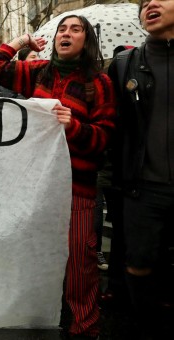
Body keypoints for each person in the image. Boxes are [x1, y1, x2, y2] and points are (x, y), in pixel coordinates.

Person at [0, 15, 116, 340]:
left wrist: (75, 127)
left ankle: (85, 327)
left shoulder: (98, 84)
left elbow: (104, 138)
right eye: (62, 29)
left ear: (87, 41)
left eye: (76, 29)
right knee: (34, 257)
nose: (66, 34)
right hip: (36, 188)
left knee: (79, 269)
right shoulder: (39, 71)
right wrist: (21, 42)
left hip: (78, 191)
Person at [108, 0, 174, 338]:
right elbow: (107, 120)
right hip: (142, 188)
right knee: (139, 264)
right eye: (145, 2)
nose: (151, 4)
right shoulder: (124, 64)